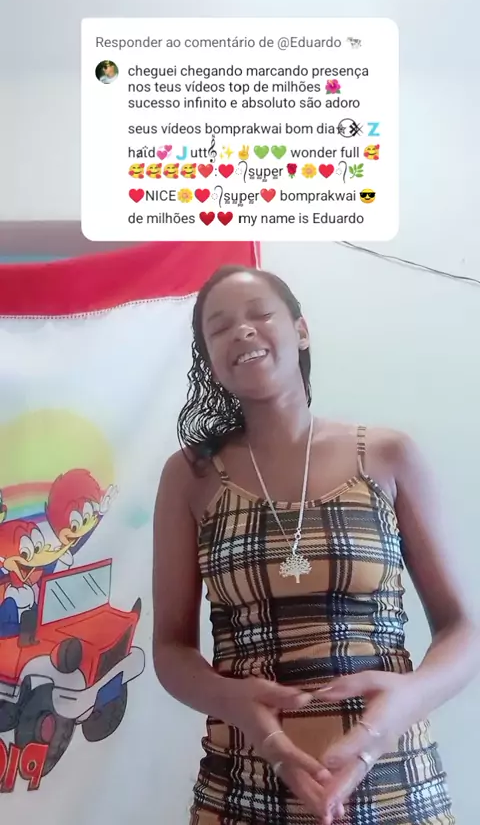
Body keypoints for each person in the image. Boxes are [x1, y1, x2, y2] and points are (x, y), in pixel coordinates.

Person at [153, 264, 478, 824]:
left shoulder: (388, 456)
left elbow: (462, 629)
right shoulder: (190, 477)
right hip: (244, 785)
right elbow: (170, 649)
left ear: (300, 330)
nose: (243, 331)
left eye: (260, 314)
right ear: (209, 357)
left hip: (395, 783)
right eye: (220, 327)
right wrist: (239, 707)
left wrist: (402, 705)